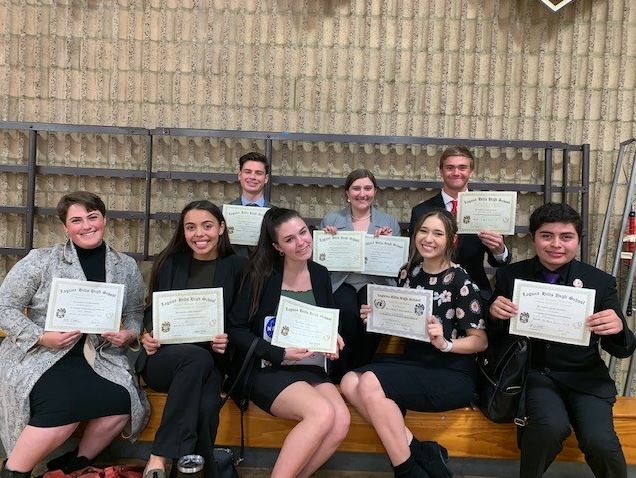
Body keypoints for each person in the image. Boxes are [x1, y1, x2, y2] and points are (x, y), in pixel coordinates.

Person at [0, 191, 149, 478]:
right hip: (42, 353)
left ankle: (73, 465)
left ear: (104, 219)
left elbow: (134, 313)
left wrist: (128, 334)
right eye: (77, 220)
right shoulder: (41, 260)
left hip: (99, 354)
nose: (86, 225)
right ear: (65, 227)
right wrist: (42, 336)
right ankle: (15, 470)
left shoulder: (125, 266)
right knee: (63, 406)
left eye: (92, 217)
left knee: (123, 401)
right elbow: (5, 306)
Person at [488, 202, 636, 478]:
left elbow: (623, 349)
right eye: (547, 235)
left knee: (600, 443)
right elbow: (496, 339)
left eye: (566, 237)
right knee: (548, 427)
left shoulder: (599, 282)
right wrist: (494, 314)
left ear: (578, 240)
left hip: (585, 378)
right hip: (536, 375)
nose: (556, 244)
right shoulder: (511, 275)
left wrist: (617, 328)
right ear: (533, 238)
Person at [341, 210, 487, 478]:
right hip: (414, 363)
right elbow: (401, 319)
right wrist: (376, 315)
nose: (428, 238)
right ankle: (420, 451)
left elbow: (480, 341)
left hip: (450, 372)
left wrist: (445, 343)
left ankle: (407, 470)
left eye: (438, 233)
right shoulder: (408, 273)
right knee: (350, 381)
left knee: (370, 380)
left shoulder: (460, 281)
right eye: (423, 231)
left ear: (451, 241)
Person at [229, 207, 350, 478]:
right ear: (277, 247)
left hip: (310, 367)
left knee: (341, 421)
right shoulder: (259, 275)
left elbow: (328, 320)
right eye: (290, 239)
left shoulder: (320, 273)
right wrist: (278, 352)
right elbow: (236, 329)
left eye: (303, 232)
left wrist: (334, 338)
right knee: (321, 413)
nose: (301, 242)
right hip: (268, 366)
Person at [136, 200, 245, 478]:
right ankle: (159, 455)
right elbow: (152, 311)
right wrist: (147, 334)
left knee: (207, 408)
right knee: (195, 357)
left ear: (221, 228)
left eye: (207, 226)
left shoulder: (238, 267)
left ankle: (186, 472)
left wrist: (227, 340)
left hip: (212, 362)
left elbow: (242, 321)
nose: (200, 234)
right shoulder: (170, 262)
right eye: (191, 227)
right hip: (165, 361)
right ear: (183, 232)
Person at [320, 168, 401, 378]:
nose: (362, 193)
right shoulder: (332, 220)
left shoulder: (389, 222)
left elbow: (398, 267)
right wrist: (328, 239)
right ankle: (341, 374)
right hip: (341, 281)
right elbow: (320, 262)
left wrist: (388, 243)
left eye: (367, 188)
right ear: (347, 193)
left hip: (375, 282)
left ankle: (362, 372)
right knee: (346, 314)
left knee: (371, 320)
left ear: (375, 191)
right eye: (356, 188)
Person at [409, 146, 511, 300]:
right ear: (441, 171)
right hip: (432, 290)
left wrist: (499, 250)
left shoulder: (487, 207)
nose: (456, 173)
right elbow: (415, 256)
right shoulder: (421, 211)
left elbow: (499, 262)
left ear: (471, 171)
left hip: (474, 289)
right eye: (450, 168)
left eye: (462, 167)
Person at [229, 152, 273, 257]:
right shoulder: (223, 213)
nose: (252, 177)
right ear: (240, 176)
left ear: (266, 178)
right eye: (248, 172)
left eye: (258, 173)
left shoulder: (277, 216)